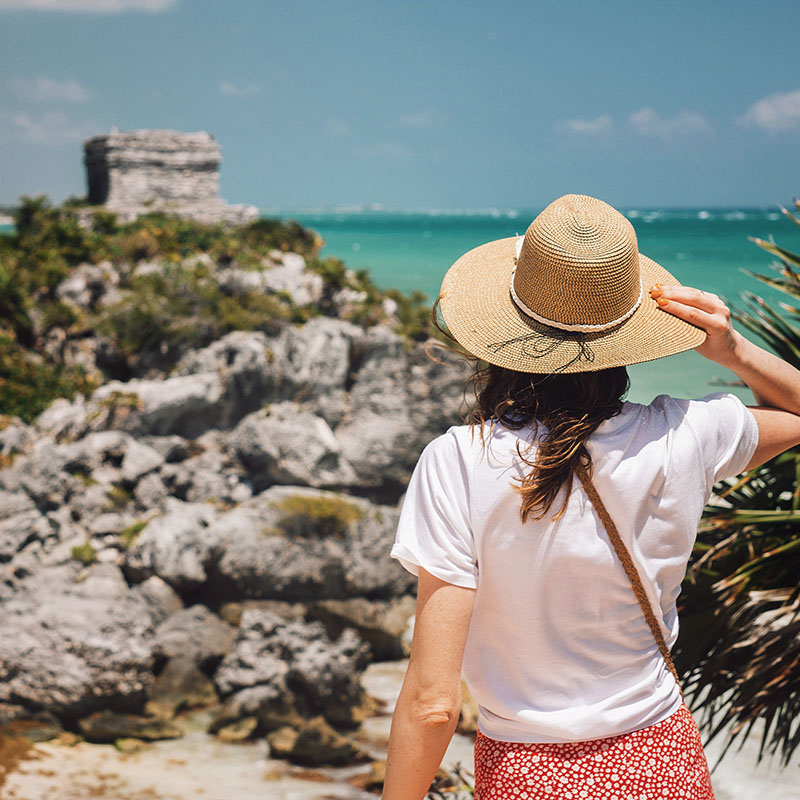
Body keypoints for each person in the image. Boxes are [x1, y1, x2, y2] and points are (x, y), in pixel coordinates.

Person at [380, 194, 800, 800]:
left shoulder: (458, 461)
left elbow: (434, 704)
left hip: (527, 773)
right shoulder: (687, 433)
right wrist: (730, 349)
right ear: (631, 329)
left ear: (506, 329)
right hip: (662, 762)